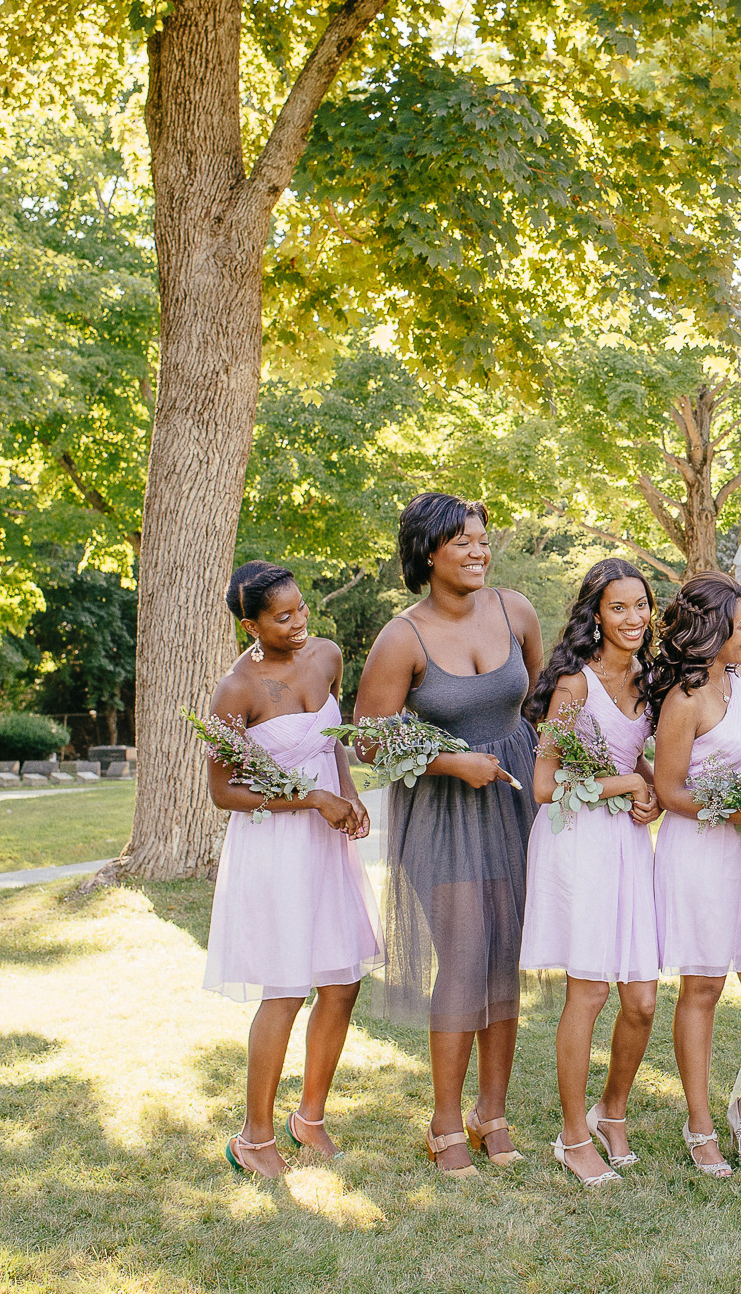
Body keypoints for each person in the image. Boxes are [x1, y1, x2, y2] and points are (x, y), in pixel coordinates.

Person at [355, 494, 545, 1177]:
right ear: (427, 552)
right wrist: (448, 760)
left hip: (513, 800)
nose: (477, 550)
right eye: (461, 541)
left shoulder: (515, 610)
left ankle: (491, 1112)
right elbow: (370, 741)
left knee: (505, 956)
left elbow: (538, 700)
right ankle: (443, 1121)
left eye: (482, 539)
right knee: (465, 956)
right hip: (443, 811)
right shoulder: (401, 637)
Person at [201, 561, 382, 1178]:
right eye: (283, 617)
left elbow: (330, 741)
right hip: (275, 849)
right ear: (249, 624)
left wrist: (349, 795)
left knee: (342, 981)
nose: (300, 622)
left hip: (328, 844)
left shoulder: (328, 656)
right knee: (286, 989)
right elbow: (223, 793)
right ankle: (253, 1137)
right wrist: (311, 799)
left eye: (302, 608)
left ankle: (309, 1117)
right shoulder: (236, 691)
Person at [521, 558, 665, 1187]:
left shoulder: (651, 679)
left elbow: (649, 762)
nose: (633, 619)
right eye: (619, 608)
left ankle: (613, 1111)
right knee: (591, 990)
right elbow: (545, 786)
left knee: (643, 997)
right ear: (596, 615)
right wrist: (627, 781)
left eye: (641, 606)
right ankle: (573, 1134)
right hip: (578, 843)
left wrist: (650, 789)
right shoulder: (574, 686)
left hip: (630, 845)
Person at [650, 571, 741, 1178]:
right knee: (703, 987)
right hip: (702, 850)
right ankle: (700, 1122)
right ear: (713, 630)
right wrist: (728, 808)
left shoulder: (737, 682)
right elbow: (667, 789)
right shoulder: (684, 701)